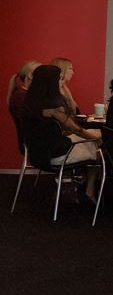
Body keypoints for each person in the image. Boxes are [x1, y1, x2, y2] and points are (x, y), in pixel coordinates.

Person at [22, 64, 102, 199]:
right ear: (51, 82)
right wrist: (97, 139)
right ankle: (89, 190)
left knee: (92, 136)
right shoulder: (53, 105)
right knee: (98, 145)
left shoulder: (29, 102)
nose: (62, 81)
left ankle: (81, 181)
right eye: (60, 78)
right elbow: (76, 129)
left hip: (38, 155)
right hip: (57, 155)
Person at [7, 60, 41, 151]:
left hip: (37, 142)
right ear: (30, 76)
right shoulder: (21, 97)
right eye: (41, 74)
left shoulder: (28, 95)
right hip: (33, 144)